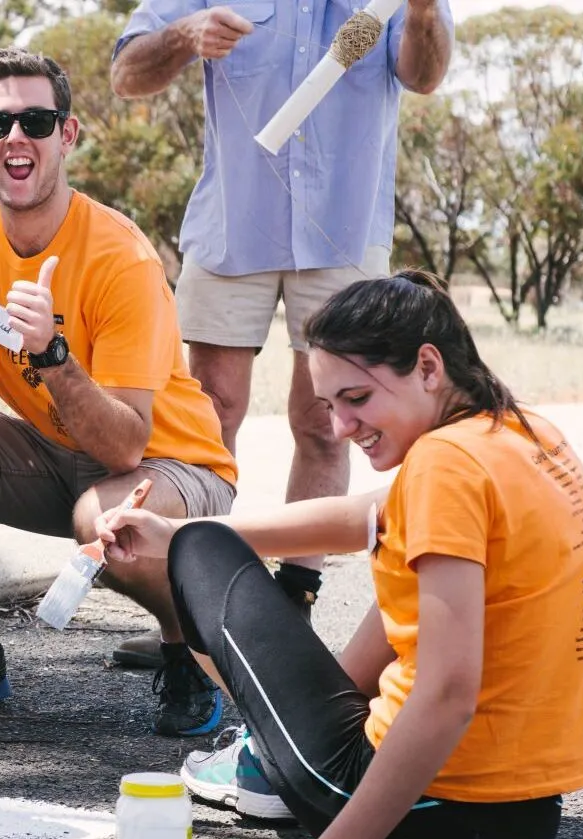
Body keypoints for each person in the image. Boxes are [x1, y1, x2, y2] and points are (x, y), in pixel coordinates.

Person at [95, 271, 583, 839]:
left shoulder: (445, 466)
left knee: (203, 549)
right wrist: (167, 532)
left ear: (427, 366)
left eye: (357, 399)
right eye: (330, 406)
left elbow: (448, 694)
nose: (340, 428)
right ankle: (286, 746)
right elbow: (366, 516)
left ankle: (269, 762)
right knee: (222, 538)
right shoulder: (523, 433)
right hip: (523, 820)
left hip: (418, 820)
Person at [0, 47, 238, 738]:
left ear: (68, 134)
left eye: (37, 119)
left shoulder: (119, 255)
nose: (17, 137)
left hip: (170, 466)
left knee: (106, 521)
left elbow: (126, 443)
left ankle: (193, 651)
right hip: (55, 451)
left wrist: (51, 356)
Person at [105, 0, 454, 669]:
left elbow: (425, 74)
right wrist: (185, 35)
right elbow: (127, 72)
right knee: (208, 418)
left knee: (327, 423)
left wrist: (422, 10)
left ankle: (291, 608)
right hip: (233, 226)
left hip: (343, 231)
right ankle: (194, 617)